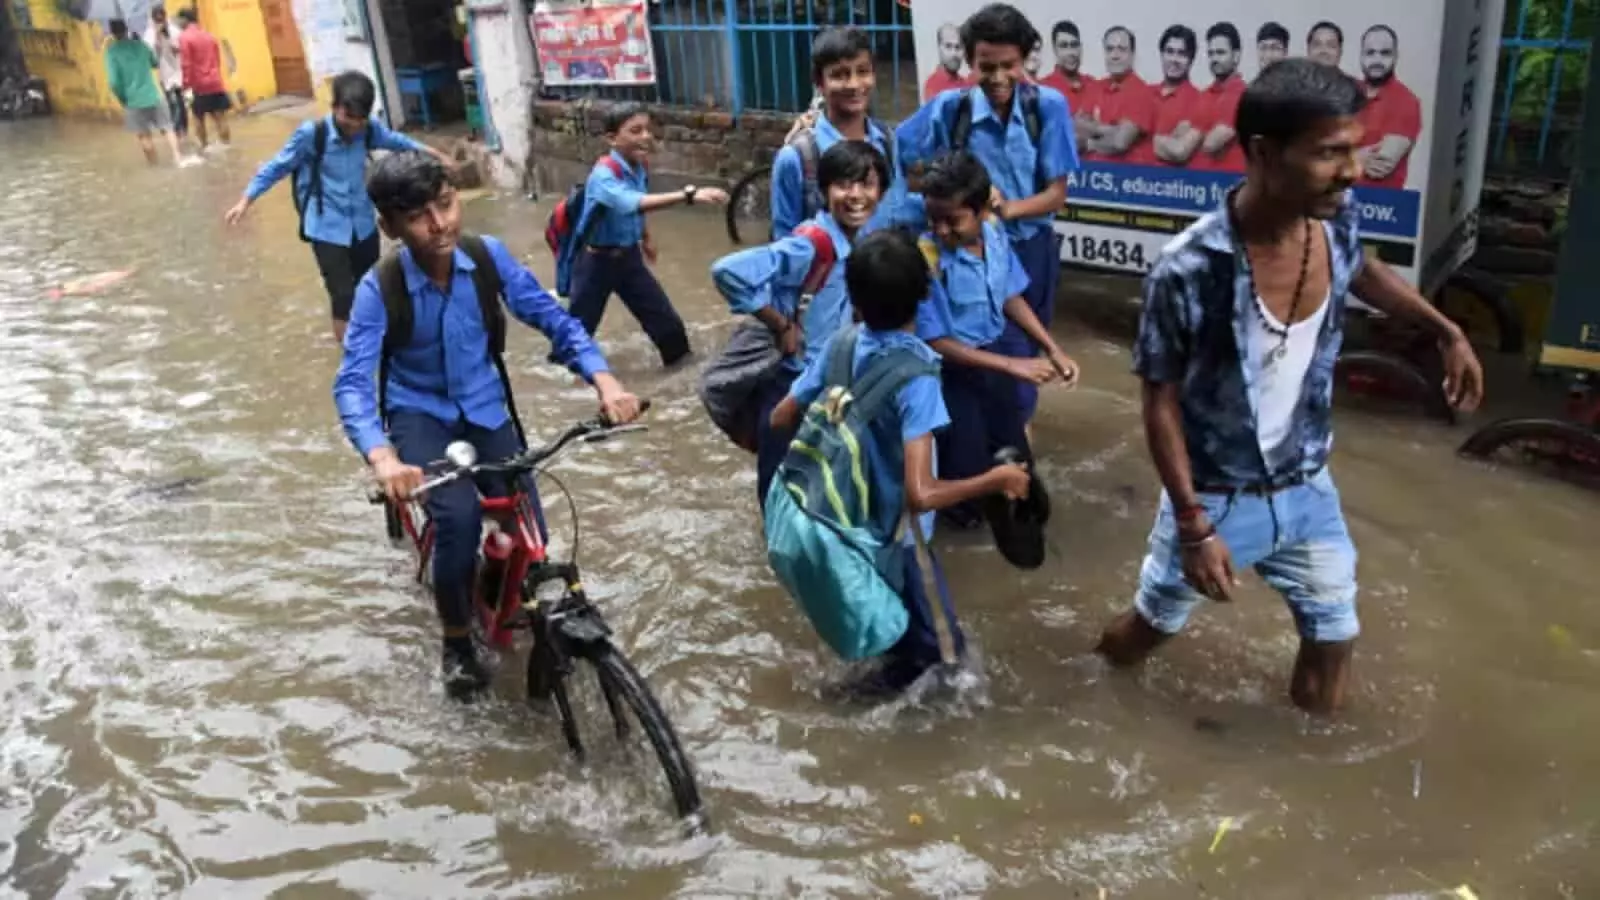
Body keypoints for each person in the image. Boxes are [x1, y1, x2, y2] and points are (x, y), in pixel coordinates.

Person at [1095, 59, 1485, 715]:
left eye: (1355, 151)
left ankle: (1317, 775)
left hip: (1307, 486)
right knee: (1147, 631)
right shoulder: (1189, 268)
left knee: (1335, 637)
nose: (1354, 171)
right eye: (1330, 153)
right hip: (1214, 499)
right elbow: (1158, 402)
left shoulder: (1335, 218)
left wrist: (1444, 329)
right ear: (1263, 153)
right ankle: (1093, 687)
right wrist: (1192, 528)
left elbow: (1362, 269)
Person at [333, 151, 643, 700]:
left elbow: (555, 322)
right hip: (419, 414)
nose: (440, 224)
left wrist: (606, 382)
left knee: (532, 530)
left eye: (446, 205)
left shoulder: (488, 258)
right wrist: (383, 457)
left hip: (486, 408)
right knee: (456, 516)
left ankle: (510, 602)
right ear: (390, 226)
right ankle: (456, 640)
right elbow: (353, 383)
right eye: (419, 216)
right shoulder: (378, 289)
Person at [769, 228, 1032, 696]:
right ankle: (873, 707)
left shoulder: (841, 344)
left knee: (902, 635)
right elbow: (921, 494)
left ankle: (874, 683)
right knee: (946, 657)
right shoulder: (918, 375)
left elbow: (781, 416)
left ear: (853, 296)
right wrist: (997, 479)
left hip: (847, 528)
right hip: (900, 539)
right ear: (925, 294)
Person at [918, 3, 1078, 427]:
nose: (998, 78)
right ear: (969, 62)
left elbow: (1056, 194)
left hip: (1029, 248)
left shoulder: (1047, 107)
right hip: (963, 247)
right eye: (985, 66)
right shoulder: (949, 109)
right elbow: (909, 158)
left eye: (1009, 65)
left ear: (1025, 60)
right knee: (962, 343)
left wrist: (1004, 211)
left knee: (1024, 347)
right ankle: (975, 437)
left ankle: (1016, 435)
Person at [712, 141, 889, 507]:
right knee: (781, 491)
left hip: (826, 383)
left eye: (866, 185)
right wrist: (779, 324)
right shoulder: (813, 244)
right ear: (825, 191)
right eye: (844, 185)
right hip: (791, 383)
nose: (855, 196)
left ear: (882, 192)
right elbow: (727, 271)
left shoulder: (857, 242)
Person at [914, 151, 1079, 526]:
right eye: (933, 220)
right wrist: (1014, 364)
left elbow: (1009, 295)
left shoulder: (996, 235)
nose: (941, 230)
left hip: (995, 367)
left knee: (1019, 466)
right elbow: (935, 340)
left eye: (952, 221)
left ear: (979, 212)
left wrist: (1053, 349)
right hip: (950, 378)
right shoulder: (928, 259)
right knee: (965, 478)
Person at [225, 71, 452, 343]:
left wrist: (434, 154)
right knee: (342, 295)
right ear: (334, 108)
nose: (353, 126)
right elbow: (278, 166)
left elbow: (397, 142)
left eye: (360, 120)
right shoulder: (313, 135)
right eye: (348, 118)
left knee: (371, 286)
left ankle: (376, 344)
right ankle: (351, 357)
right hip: (326, 227)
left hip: (363, 224)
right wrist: (246, 200)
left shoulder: (369, 131)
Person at [566, 102, 728, 367]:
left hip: (628, 258)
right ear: (612, 138)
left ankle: (681, 376)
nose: (645, 137)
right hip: (596, 263)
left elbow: (636, 206)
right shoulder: (603, 176)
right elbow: (631, 203)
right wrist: (688, 196)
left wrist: (645, 237)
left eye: (647, 130)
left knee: (669, 328)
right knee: (576, 338)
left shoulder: (638, 165)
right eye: (635, 131)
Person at [770, 27, 906, 239]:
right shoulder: (798, 157)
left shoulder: (886, 140)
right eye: (839, 75)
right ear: (819, 83)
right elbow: (785, 244)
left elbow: (898, 212)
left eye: (862, 71)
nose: (853, 85)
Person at [103, 19, 188, 166]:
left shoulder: (112, 52)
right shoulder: (140, 45)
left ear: (112, 32)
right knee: (167, 128)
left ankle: (154, 166)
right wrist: (140, 46)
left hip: (133, 101)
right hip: (155, 95)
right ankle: (178, 157)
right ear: (126, 28)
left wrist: (123, 99)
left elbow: (114, 82)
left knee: (144, 136)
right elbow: (155, 62)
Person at [1354, 25, 1421, 190]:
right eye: (1370, 53)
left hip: (1382, 207)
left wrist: (1337, 158)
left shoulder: (1405, 101)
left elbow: (1380, 166)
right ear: (1361, 55)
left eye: (1385, 53)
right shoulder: (1348, 92)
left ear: (1396, 56)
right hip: (1338, 201)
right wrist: (1358, 158)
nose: (1377, 60)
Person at [1082, 26, 1154, 164]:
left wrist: (1089, 143)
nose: (1115, 55)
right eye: (1110, 49)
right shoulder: (1095, 87)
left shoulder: (1142, 92)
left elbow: (1120, 142)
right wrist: (1110, 129)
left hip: (1125, 179)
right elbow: (1077, 126)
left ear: (1132, 54)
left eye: (1121, 49)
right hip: (1091, 176)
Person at [1146, 25, 1204, 167]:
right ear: (1162, 54)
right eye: (1169, 52)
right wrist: (1165, 140)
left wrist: (1139, 139)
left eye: (1181, 53)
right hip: (1131, 182)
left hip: (1172, 185)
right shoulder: (1144, 93)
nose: (1174, 59)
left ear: (1191, 59)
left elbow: (1179, 152)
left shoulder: (1199, 101)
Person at [1039, 20, 1099, 153]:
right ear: (1055, 50)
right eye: (1064, 46)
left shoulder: (1094, 85)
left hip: (1096, 169)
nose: (1070, 52)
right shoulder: (1043, 88)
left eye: (1074, 45)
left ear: (1080, 48)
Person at [175, 8, 230, 151]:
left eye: (179, 20)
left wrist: (186, 85)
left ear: (185, 20)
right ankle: (227, 146)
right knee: (220, 117)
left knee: (198, 118)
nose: (177, 23)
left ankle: (205, 148)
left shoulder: (184, 38)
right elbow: (217, 61)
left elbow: (186, 64)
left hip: (198, 86)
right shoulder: (210, 36)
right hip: (216, 82)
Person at [144, 4, 194, 159]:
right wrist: (158, 40)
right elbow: (151, 56)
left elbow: (183, 47)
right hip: (165, 74)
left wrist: (175, 48)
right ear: (153, 19)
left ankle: (182, 131)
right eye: (157, 18)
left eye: (162, 17)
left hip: (178, 71)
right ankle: (177, 132)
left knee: (181, 102)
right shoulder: (150, 34)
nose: (161, 21)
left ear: (165, 17)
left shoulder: (174, 30)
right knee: (172, 102)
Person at [1195, 22, 1247, 172]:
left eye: (1220, 52)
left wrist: (1191, 137)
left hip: (1226, 185)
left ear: (1236, 56)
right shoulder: (1204, 94)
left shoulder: (1241, 93)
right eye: (1211, 53)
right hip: (1196, 186)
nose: (1214, 59)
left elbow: (1211, 144)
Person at [923, 23, 970, 101]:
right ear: (939, 49)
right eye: (948, 46)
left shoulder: (966, 83)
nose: (954, 53)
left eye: (958, 47)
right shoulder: (933, 85)